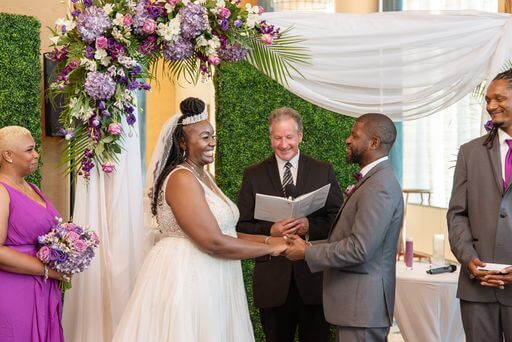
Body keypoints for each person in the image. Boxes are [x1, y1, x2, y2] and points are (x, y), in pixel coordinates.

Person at [113, 97, 287, 341]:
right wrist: (270, 250)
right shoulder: (182, 179)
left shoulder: (203, 177)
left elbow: (226, 231)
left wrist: (270, 239)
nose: (212, 142)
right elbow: (213, 242)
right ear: (183, 142)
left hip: (215, 273)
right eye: (205, 137)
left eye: (213, 136)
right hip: (188, 276)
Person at [284, 113, 403, 342]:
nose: (347, 140)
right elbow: (348, 238)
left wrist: (306, 252)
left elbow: (359, 248)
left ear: (374, 143)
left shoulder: (379, 186)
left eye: (354, 135)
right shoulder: (374, 180)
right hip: (357, 309)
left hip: (363, 310)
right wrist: (306, 245)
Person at [236, 107, 342, 342]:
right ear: (270, 137)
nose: (283, 144)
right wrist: (270, 230)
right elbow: (241, 226)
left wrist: (309, 226)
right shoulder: (253, 175)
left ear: (300, 136)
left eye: (289, 137)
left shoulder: (323, 171)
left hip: (313, 279)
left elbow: (338, 220)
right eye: (277, 138)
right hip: (272, 281)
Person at [447, 69, 512, 341]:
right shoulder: (469, 152)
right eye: (487, 100)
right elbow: (457, 215)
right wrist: (468, 258)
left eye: (499, 98)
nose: (491, 106)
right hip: (477, 289)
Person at [0, 126, 69, 342]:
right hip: (16, 292)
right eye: (30, 150)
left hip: (43, 288)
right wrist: (50, 271)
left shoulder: (31, 187)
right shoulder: (2, 191)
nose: (36, 154)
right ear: (8, 155)